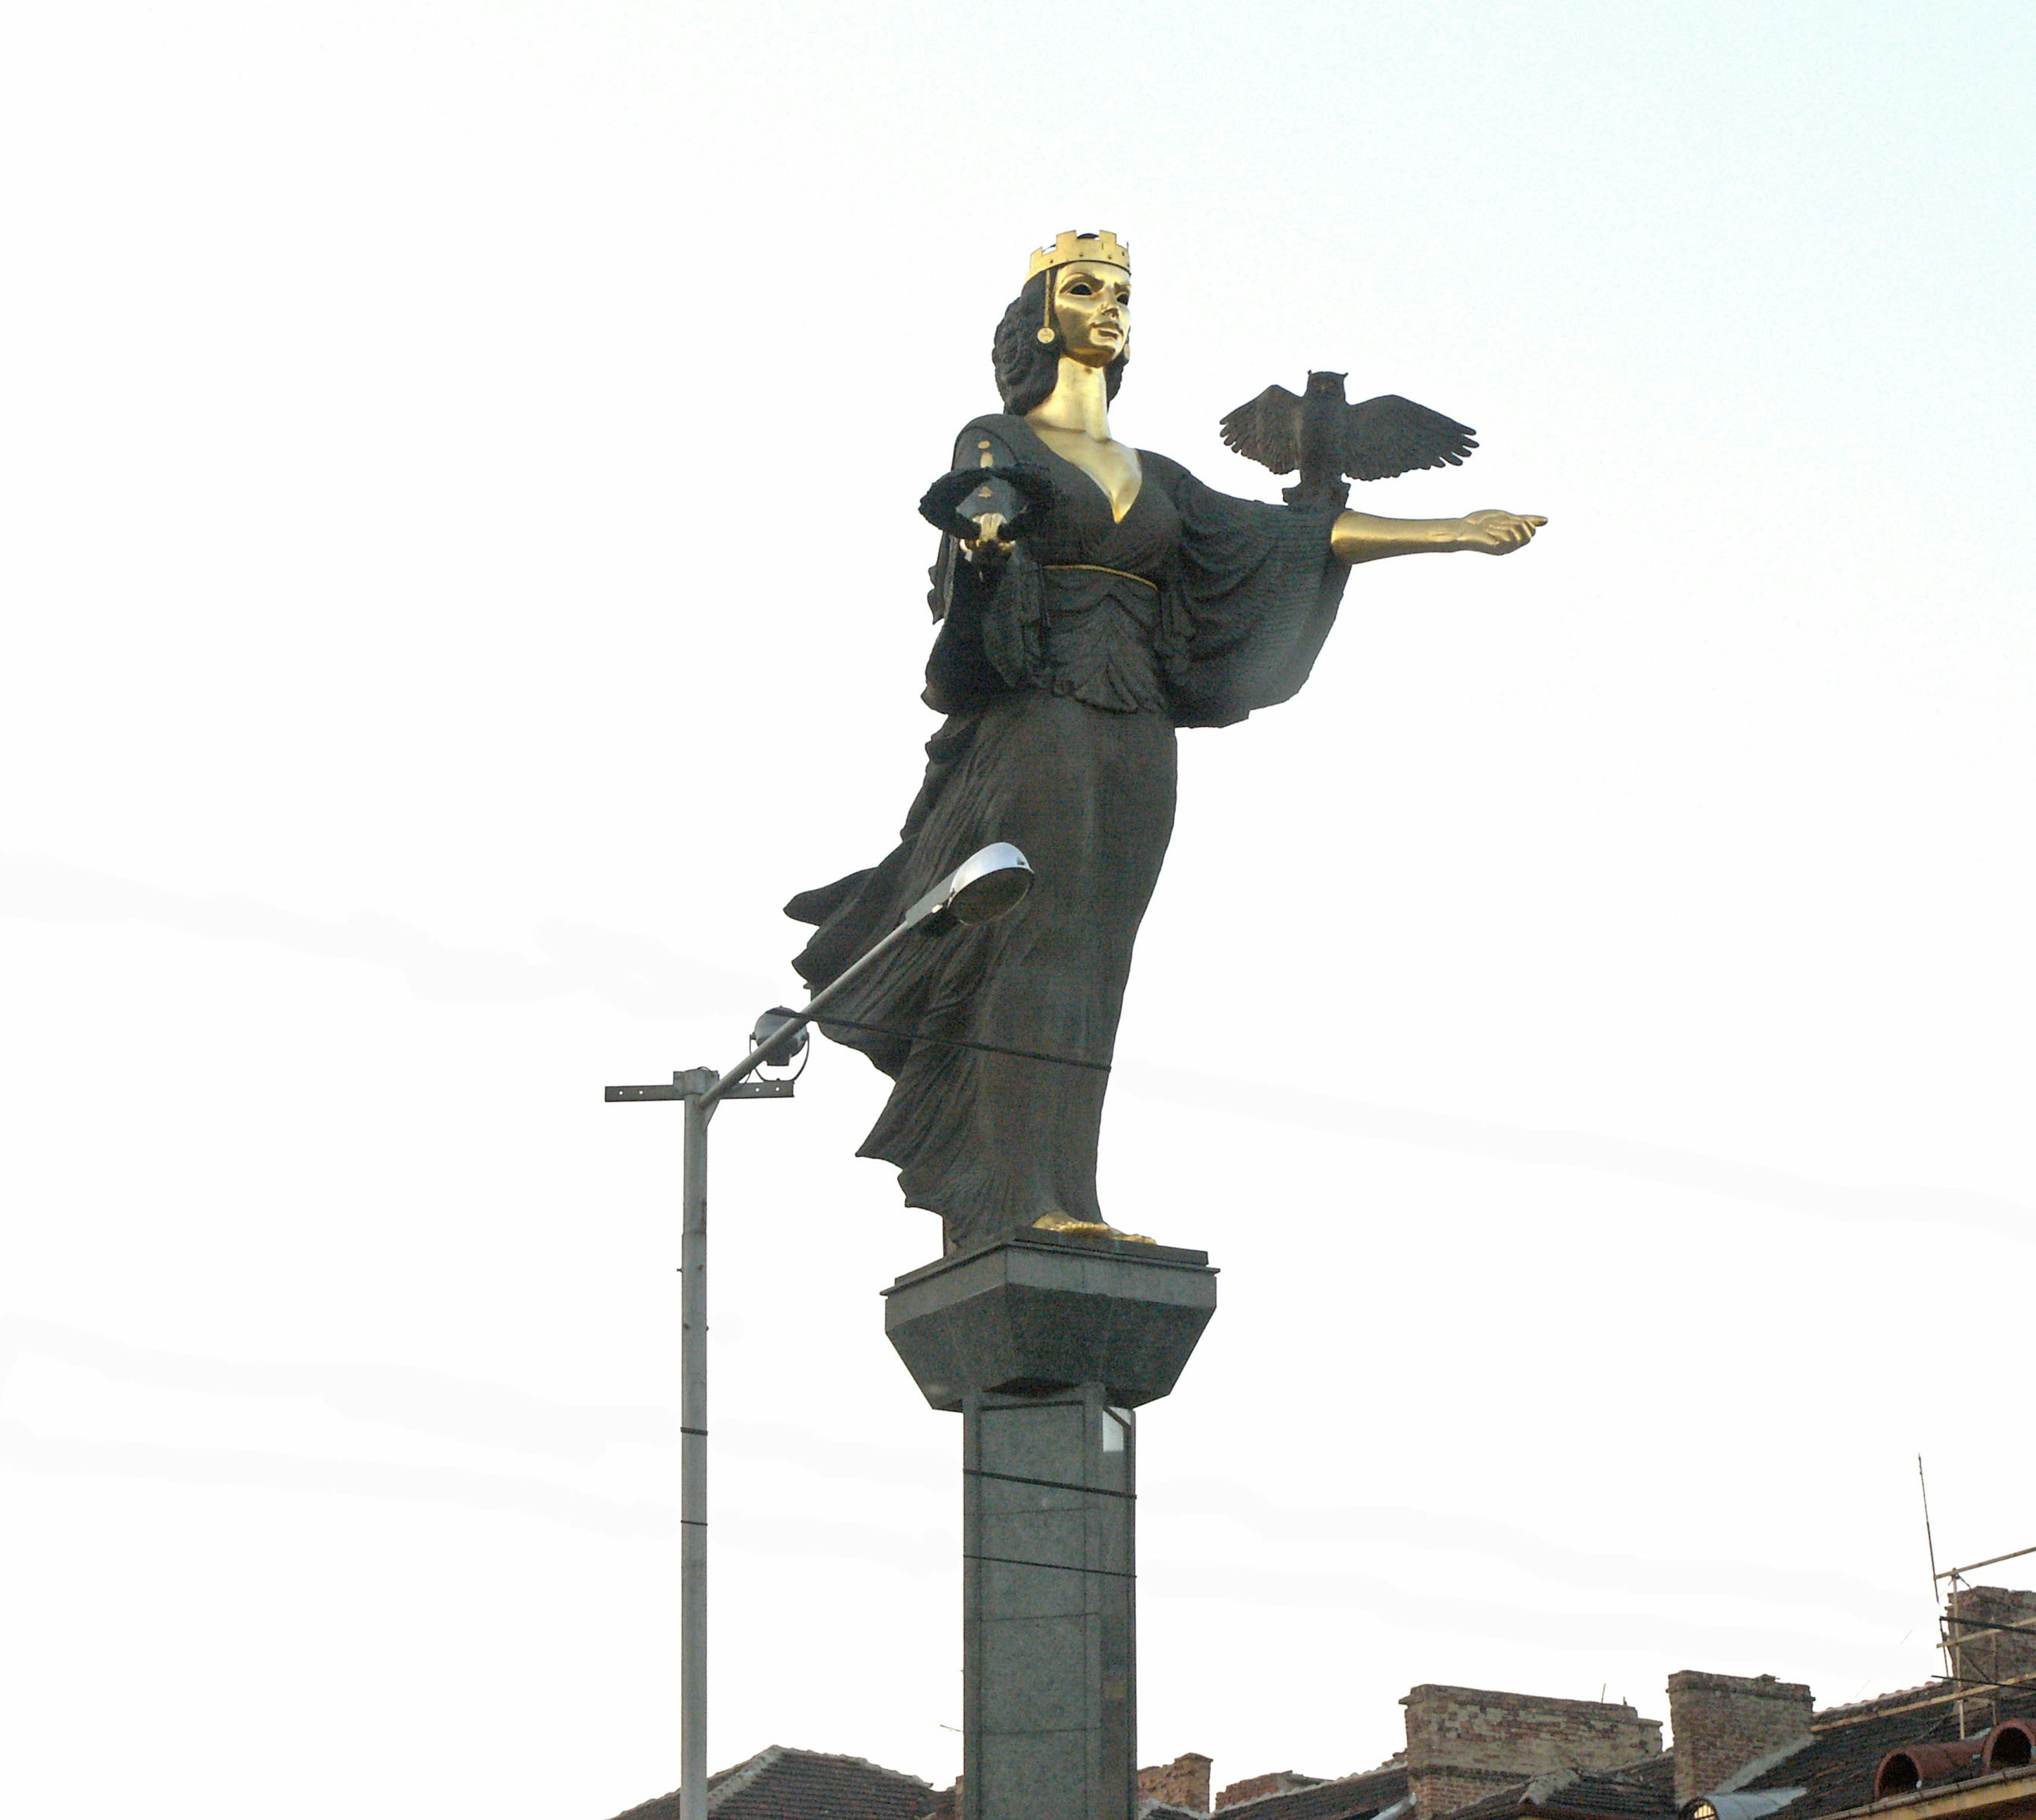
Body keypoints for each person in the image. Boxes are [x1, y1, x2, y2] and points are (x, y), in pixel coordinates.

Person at [787, 231, 1543, 1255]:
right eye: (1086, 289)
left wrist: (1451, 529)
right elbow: (975, 500)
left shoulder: (1165, 476)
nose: (1110, 307)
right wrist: (987, 530)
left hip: (1137, 717)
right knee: (1032, 941)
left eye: (1123, 295)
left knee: (1100, 957)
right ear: (1040, 317)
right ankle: (1009, 1195)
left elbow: (1285, 539)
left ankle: (1070, 1197)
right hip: (1040, 708)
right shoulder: (996, 436)